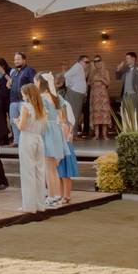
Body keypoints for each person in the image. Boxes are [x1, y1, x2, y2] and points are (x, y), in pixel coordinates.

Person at [16, 83, 47, 214]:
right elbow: (44, 128)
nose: (22, 95)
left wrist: (16, 121)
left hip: (27, 138)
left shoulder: (26, 107)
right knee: (40, 172)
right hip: (39, 139)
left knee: (27, 171)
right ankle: (40, 204)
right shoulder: (41, 108)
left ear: (28, 94)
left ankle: (29, 206)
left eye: (23, 93)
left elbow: (22, 127)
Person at [38, 73, 67, 207]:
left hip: (48, 130)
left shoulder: (42, 98)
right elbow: (63, 118)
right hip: (56, 130)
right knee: (53, 168)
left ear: (39, 82)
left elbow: (41, 117)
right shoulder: (57, 97)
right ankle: (56, 195)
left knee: (48, 168)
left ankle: (51, 195)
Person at [55, 73, 79, 205]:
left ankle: (67, 195)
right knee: (58, 172)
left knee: (65, 171)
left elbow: (71, 122)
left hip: (64, 141)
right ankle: (59, 194)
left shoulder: (65, 105)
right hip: (55, 141)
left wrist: (67, 135)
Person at [7, 52, 36, 144]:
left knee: (25, 121)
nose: (16, 61)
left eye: (18, 59)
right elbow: (10, 83)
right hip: (13, 100)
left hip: (24, 101)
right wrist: (8, 84)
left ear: (24, 60)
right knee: (13, 121)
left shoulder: (30, 70)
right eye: (15, 59)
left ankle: (26, 142)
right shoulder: (14, 72)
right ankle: (16, 141)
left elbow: (33, 85)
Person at [63, 55, 90, 138]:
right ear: (80, 61)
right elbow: (66, 75)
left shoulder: (80, 69)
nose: (87, 64)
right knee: (74, 113)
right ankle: (71, 134)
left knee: (76, 114)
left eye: (88, 62)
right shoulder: (77, 67)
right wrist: (70, 86)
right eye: (86, 62)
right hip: (74, 93)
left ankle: (73, 134)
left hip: (78, 93)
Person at [89, 56, 112, 140]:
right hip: (95, 95)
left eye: (98, 61)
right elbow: (89, 83)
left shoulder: (105, 71)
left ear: (102, 62)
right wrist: (93, 80)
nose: (97, 63)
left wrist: (101, 79)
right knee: (96, 115)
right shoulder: (92, 72)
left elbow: (108, 83)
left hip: (103, 95)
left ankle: (104, 135)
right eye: (95, 62)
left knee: (104, 114)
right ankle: (96, 135)